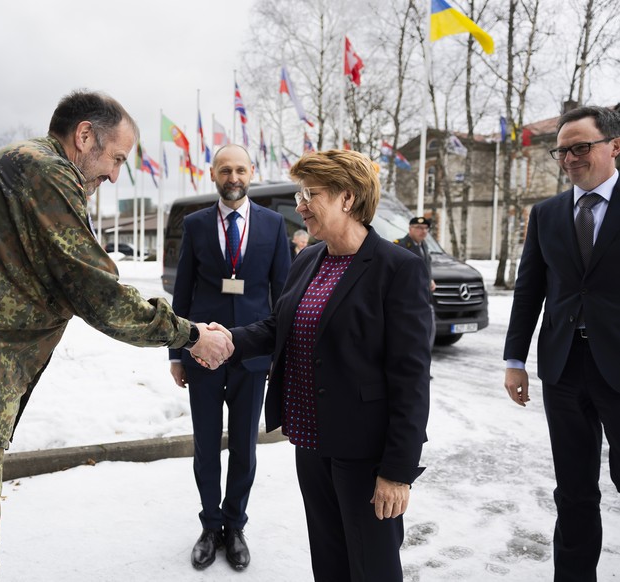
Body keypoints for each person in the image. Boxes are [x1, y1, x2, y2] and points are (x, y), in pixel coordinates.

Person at [0, 90, 232, 581]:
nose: (114, 176)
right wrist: (189, 336)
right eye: (116, 158)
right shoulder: (46, 173)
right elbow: (96, 292)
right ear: (85, 136)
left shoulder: (28, 164)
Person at [213, 149, 432, 581]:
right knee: (329, 562)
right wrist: (228, 340)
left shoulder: (397, 268)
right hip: (312, 443)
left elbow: (411, 379)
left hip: (366, 453)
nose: (300, 206)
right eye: (300, 194)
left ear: (347, 198)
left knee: (372, 568)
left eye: (310, 194)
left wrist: (397, 472)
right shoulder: (308, 259)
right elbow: (280, 326)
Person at [503, 105, 620, 582]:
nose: (570, 158)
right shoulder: (547, 214)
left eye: (581, 147)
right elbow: (529, 289)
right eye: (563, 151)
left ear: (614, 146)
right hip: (563, 369)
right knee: (573, 491)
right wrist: (515, 359)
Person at [169, 144, 291, 570]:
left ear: (251, 172)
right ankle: (210, 525)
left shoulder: (274, 225)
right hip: (202, 354)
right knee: (206, 446)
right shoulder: (196, 224)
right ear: (213, 174)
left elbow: (283, 295)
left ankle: (235, 525)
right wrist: (176, 353)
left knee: (243, 447)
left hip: (253, 357)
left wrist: (278, 354)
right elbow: (182, 292)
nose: (233, 177)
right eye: (225, 170)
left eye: (240, 169)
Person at [394, 216, 437, 346]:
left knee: (428, 332)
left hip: (424, 297)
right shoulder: (400, 245)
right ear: (410, 229)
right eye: (419, 228)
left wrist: (430, 280)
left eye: (426, 228)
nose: (423, 231)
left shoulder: (424, 245)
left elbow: (424, 267)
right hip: (408, 300)